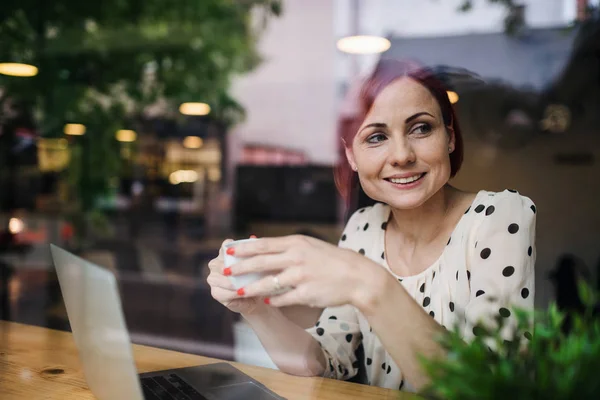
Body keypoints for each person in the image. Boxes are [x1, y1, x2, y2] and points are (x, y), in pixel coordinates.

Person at [206, 59, 536, 392]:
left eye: (421, 128)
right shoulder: (365, 226)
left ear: (449, 138)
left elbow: (488, 388)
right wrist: (254, 309)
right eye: (376, 137)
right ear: (351, 156)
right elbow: (326, 363)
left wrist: (369, 284)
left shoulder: (498, 216)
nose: (402, 155)